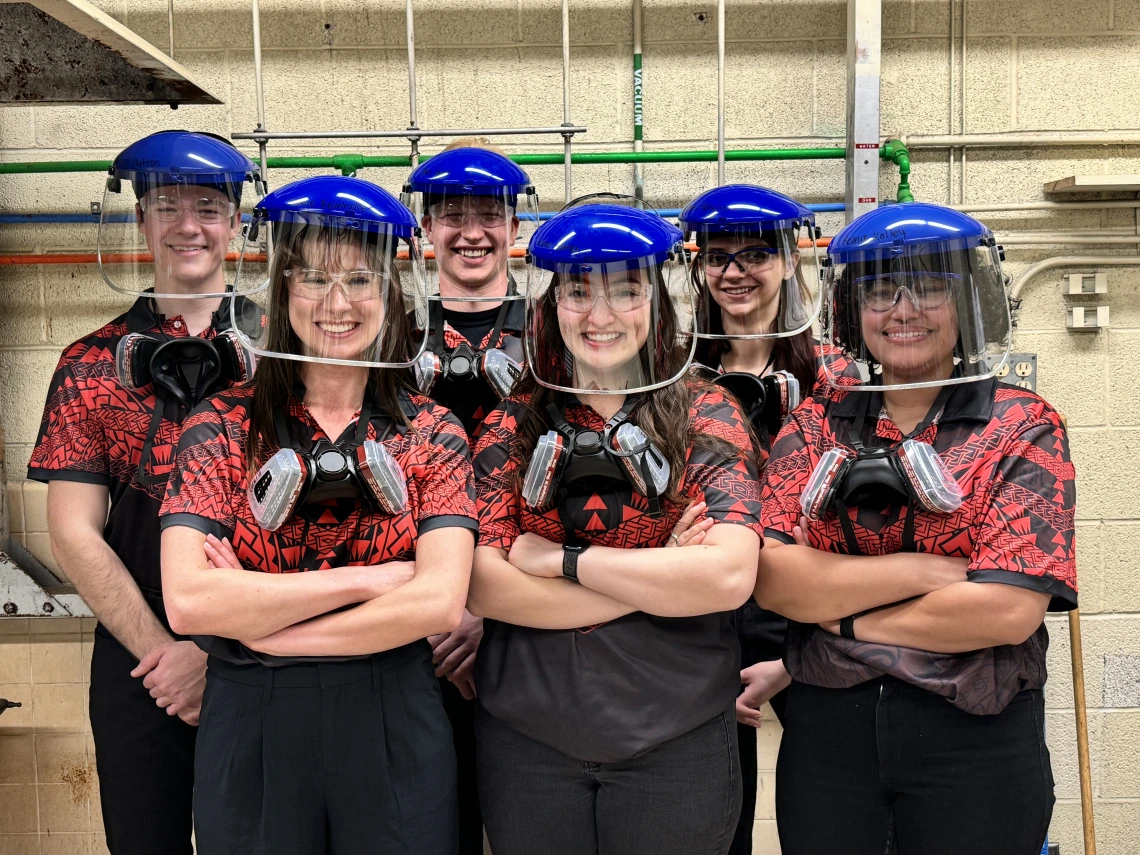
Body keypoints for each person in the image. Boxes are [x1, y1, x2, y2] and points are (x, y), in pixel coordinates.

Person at [157, 175, 478, 855]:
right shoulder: (222, 425)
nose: (337, 303)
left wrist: (266, 621)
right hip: (253, 726)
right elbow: (188, 601)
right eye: (314, 279)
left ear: (390, 296)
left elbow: (441, 602)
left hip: (392, 720)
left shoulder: (432, 430)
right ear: (283, 292)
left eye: (360, 280)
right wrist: (375, 580)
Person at [755, 202, 1076, 855]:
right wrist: (921, 574)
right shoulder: (815, 424)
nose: (903, 310)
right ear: (852, 308)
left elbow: (1006, 610)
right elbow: (777, 579)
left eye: (930, 286)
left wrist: (841, 616)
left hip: (977, 742)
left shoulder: (1022, 425)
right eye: (879, 290)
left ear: (971, 301)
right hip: (830, 744)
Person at [468, 198, 763, 855]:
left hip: (675, 738)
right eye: (578, 292)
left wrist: (557, 560)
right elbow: (486, 586)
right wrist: (662, 568)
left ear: (656, 300)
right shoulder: (510, 424)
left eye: (625, 290)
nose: (600, 317)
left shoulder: (707, 413)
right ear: (549, 305)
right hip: (528, 741)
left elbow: (727, 576)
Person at [29, 130, 260, 855]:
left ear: (236, 222)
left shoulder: (286, 356)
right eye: (166, 204)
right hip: (140, 664)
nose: (188, 224)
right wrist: (167, 653)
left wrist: (217, 653)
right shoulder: (87, 363)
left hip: (263, 655)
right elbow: (72, 531)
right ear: (139, 221)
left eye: (208, 205)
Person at [677, 184, 860, 855]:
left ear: (789, 260)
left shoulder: (839, 376)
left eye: (756, 253)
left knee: (832, 821)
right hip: (707, 621)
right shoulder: (676, 379)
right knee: (717, 825)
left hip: (813, 621)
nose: (735, 271)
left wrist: (795, 652)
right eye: (718, 256)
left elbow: (858, 522)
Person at [403, 140, 536, 852]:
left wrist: (488, 609)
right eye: (452, 214)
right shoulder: (391, 343)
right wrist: (436, 607)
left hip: (530, 633)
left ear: (515, 228)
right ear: (427, 229)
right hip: (419, 639)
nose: (473, 231)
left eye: (490, 213)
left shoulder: (556, 342)